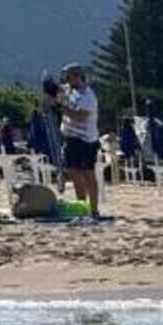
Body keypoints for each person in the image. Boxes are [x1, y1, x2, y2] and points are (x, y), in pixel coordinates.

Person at [55, 64, 100, 213]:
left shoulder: (87, 96)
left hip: (86, 139)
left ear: (77, 76)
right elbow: (57, 94)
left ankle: (93, 209)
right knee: (74, 172)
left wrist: (62, 108)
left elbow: (81, 116)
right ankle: (82, 207)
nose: (67, 80)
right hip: (71, 138)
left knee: (87, 173)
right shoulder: (69, 91)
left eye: (69, 77)